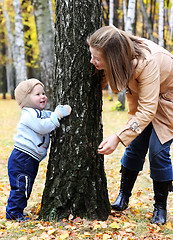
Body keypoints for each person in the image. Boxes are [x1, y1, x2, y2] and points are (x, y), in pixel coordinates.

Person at [87, 26, 173, 225]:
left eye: (96, 58)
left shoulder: (147, 62)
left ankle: (160, 207)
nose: (92, 61)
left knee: (158, 152)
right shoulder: (120, 56)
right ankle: (123, 196)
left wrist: (117, 137)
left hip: (167, 104)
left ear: (113, 58)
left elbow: (148, 110)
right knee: (134, 148)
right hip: (147, 105)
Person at [6, 78, 71, 221]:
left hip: (29, 159)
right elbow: (43, 126)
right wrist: (57, 115)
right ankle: (13, 213)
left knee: (26, 186)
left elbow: (49, 116)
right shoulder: (28, 114)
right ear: (26, 99)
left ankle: (17, 210)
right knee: (20, 186)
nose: (43, 96)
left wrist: (57, 112)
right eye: (37, 94)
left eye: (43, 93)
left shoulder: (39, 112)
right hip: (22, 158)